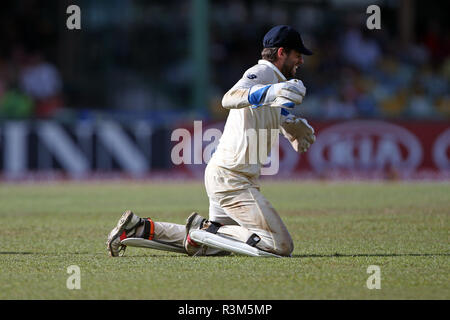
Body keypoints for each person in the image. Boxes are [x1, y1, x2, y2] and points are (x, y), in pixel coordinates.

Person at [106, 25, 316, 257]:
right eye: (298, 54)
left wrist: (289, 124)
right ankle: (207, 228)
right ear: (281, 53)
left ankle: (140, 228)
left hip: (229, 177)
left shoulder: (273, 83)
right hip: (233, 180)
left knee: (212, 247)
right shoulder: (263, 73)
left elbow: (267, 109)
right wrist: (272, 92)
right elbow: (229, 98)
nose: (301, 61)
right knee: (280, 246)